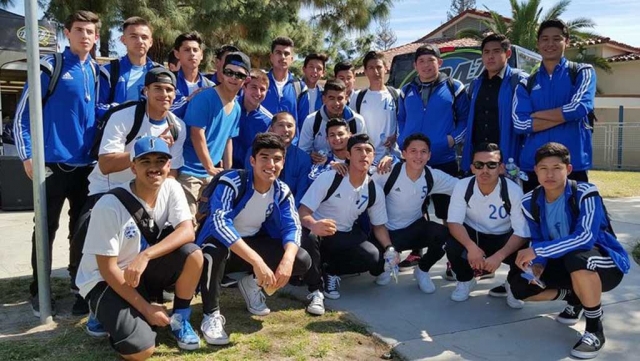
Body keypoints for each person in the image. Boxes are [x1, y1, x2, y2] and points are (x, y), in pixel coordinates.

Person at [70, 68, 187, 314]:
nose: (164, 94)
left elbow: (172, 171)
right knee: (87, 231)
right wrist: (144, 152)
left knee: (166, 236)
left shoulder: (177, 126)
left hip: (149, 192)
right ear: (145, 91)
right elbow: (106, 163)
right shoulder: (124, 116)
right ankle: (87, 294)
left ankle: (149, 286)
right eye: (157, 88)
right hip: (110, 189)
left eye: (169, 90)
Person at [76, 136, 203, 358]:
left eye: (160, 161)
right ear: (133, 167)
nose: (154, 167)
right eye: (146, 161)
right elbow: (107, 269)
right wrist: (147, 309)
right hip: (103, 279)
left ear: (169, 165)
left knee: (193, 254)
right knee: (141, 351)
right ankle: (101, 311)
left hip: (138, 269)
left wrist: (146, 256)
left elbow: (187, 231)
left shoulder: (172, 187)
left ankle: (180, 318)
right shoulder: (109, 205)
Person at [13, 10, 101, 317]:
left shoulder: (97, 73)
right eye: (79, 30)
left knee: (83, 230)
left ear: (97, 36)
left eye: (90, 31)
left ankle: (81, 289)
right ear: (67, 33)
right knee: (45, 229)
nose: (85, 36)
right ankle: (40, 291)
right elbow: (23, 116)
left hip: (86, 167)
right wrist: (27, 156)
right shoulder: (50, 66)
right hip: (50, 166)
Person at [510, 142, 629, 359]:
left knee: (578, 258)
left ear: (569, 169)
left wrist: (538, 251)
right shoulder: (530, 201)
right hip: (565, 262)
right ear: (535, 171)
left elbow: (585, 238)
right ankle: (574, 298)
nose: (550, 174)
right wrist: (537, 265)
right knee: (520, 287)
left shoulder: (585, 193)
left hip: (603, 263)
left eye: (557, 168)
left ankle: (594, 329)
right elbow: (537, 238)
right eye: (544, 168)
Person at [195, 133, 311, 345]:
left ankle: (251, 284)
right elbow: (219, 224)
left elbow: (292, 226)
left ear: (283, 162)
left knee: (301, 259)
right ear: (252, 161)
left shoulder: (281, 190)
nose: (271, 164)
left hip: (249, 246)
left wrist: (287, 260)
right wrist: (257, 262)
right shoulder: (232, 181)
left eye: (277, 159)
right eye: (264, 157)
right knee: (215, 248)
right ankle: (210, 315)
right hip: (219, 248)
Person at [299, 134, 399, 316]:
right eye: (358, 150)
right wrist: (313, 224)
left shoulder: (373, 189)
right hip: (318, 233)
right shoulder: (330, 178)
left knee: (373, 256)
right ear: (348, 155)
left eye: (368, 151)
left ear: (374, 156)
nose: (364, 155)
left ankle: (331, 271)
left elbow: (379, 226)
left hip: (344, 235)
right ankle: (317, 291)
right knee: (309, 237)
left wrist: (390, 248)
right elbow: (302, 212)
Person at [397, 44, 470, 268]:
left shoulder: (454, 87)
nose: (426, 65)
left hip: (443, 159)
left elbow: (466, 121)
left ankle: (453, 257)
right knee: (414, 208)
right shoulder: (406, 90)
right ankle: (416, 252)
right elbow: (400, 119)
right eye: (421, 61)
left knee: (448, 211)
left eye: (431, 60)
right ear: (415, 65)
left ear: (440, 63)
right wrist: (402, 142)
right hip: (413, 162)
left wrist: (451, 140)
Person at [513, 19, 596, 193]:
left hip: (573, 165)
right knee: (534, 218)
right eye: (544, 39)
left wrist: (537, 115)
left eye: (556, 38)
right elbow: (520, 124)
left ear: (567, 41)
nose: (550, 44)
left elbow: (579, 107)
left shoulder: (582, 71)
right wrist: (565, 117)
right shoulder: (525, 83)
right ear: (538, 43)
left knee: (574, 218)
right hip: (534, 167)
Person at [372, 133, 458, 293]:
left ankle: (422, 270)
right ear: (404, 153)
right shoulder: (387, 172)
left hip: (415, 228)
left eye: (423, 151)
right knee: (374, 266)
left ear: (429, 155)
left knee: (444, 234)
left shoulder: (432, 175)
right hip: (387, 233)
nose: (418, 156)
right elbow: (363, 189)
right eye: (413, 151)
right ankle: (388, 264)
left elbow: (462, 188)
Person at [445, 143, 530, 306]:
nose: (485, 170)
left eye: (491, 165)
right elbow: (454, 222)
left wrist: (499, 256)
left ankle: (513, 285)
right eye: (479, 165)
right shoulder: (463, 186)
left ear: (501, 168)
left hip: (503, 238)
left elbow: (521, 231)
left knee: (526, 250)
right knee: (451, 244)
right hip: (475, 236)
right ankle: (465, 280)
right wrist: (471, 247)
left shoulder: (513, 191)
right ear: (472, 168)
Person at [178, 51, 250, 216]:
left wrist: (227, 171)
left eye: (239, 74)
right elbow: (197, 134)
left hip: (212, 176)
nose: (233, 77)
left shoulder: (237, 107)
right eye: (229, 72)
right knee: (187, 223)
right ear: (221, 73)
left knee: (208, 223)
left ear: (246, 80)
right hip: (189, 173)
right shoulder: (205, 98)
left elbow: (227, 140)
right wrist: (209, 167)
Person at [461, 33, 526, 173]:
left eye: (496, 51)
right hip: (479, 160)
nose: (490, 56)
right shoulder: (475, 84)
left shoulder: (520, 81)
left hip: (508, 159)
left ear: (508, 53)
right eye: (486, 52)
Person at [97, 17, 161, 119]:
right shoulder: (108, 70)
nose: (140, 41)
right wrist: (121, 111)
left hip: (150, 131)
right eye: (133, 36)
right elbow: (97, 107)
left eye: (144, 37)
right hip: (118, 132)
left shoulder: (160, 71)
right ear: (123, 40)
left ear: (151, 42)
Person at [245, 112, 312, 207]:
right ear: (272, 129)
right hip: (256, 205)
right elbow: (249, 182)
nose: (286, 130)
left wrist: (291, 212)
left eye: (290, 126)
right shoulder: (255, 151)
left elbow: (302, 193)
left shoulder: (303, 158)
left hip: (289, 209)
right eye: (281, 125)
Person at [298, 79, 366, 164]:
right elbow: (302, 152)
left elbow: (362, 150)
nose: (336, 103)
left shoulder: (357, 121)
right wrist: (310, 156)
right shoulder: (311, 121)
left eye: (340, 98)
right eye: (331, 98)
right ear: (324, 99)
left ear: (346, 98)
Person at [357, 51, 401, 164]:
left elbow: (404, 121)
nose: (375, 72)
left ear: (386, 68)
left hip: (391, 159)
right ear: (365, 71)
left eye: (379, 67)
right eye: (371, 68)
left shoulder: (397, 94)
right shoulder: (358, 97)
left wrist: (396, 136)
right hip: (366, 160)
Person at [232, 69, 272, 168]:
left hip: (247, 170)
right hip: (219, 165)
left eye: (262, 89)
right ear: (244, 87)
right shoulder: (229, 105)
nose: (258, 93)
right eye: (254, 87)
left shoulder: (268, 120)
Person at [170, 31, 215, 118]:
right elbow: (161, 111)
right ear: (177, 54)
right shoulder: (169, 82)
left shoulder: (210, 86)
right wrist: (188, 100)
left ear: (201, 54)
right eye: (187, 50)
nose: (192, 54)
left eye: (195, 50)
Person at [262, 36, 306, 125]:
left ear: (292, 59)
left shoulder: (300, 87)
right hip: (262, 138)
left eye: (286, 54)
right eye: (278, 53)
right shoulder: (260, 82)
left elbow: (303, 122)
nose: (282, 57)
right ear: (271, 57)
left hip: (290, 139)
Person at [297, 53, 328, 125]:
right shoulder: (295, 90)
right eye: (311, 67)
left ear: (323, 73)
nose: (315, 71)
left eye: (319, 68)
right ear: (304, 69)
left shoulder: (324, 94)